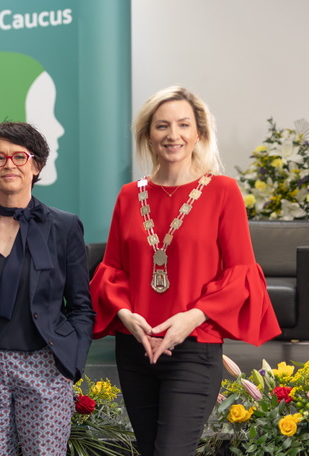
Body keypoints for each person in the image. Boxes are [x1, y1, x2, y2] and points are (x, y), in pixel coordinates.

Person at [89, 86, 281, 456]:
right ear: (148, 135)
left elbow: (240, 272)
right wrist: (125, 314)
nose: (172, 135)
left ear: (199, 133)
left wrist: (191, 317)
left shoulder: (223, 191)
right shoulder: (129, 195)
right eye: (162, 125)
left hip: (194, 346)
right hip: (136, 347)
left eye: (183, 125)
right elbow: (113, 270)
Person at [0, 121, 94, 455]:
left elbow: (81, 306)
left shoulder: (64, 226)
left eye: (19, 156)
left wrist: (70, 363)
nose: (9, 164)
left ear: (36, 165)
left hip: (46, 367)